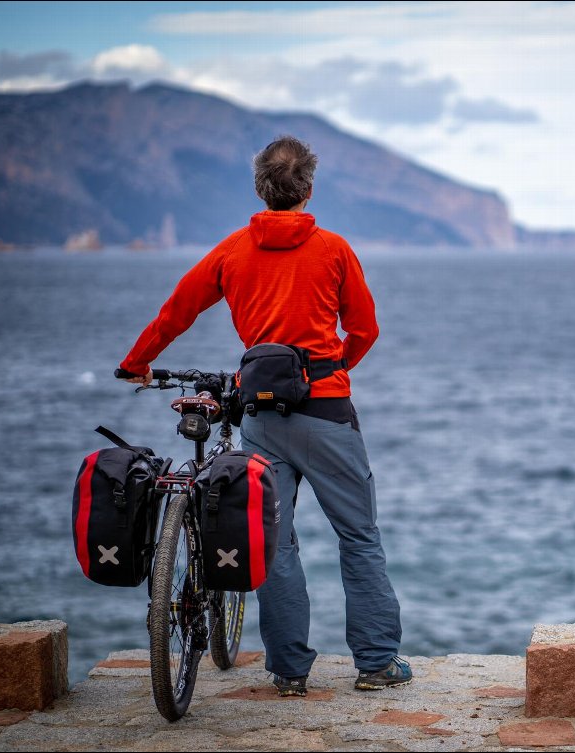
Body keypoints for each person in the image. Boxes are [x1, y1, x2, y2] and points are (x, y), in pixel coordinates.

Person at [117, 135, 409, 697]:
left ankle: (290, 672)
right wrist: (334, 368)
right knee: (359, 536)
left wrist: (138, 363)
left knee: (275, 543)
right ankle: (375, 664)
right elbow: (366, 329)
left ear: (260, 188)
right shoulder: (334, 250)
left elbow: (177, 310)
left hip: (262, 420)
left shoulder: (231, 251)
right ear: (308, 189)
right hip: (328, 414)